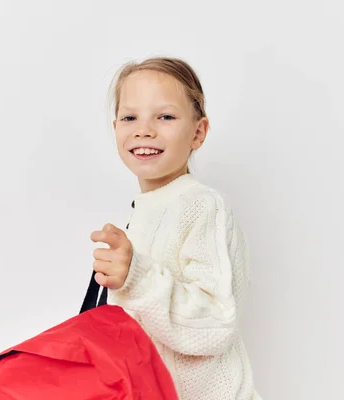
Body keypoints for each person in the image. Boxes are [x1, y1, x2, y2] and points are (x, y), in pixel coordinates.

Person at [89, 57, 261, 399]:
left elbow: (215, 324)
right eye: (129, 117)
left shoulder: (201, 205)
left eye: (165, 116)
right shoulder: (142, 213)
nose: (144, 129)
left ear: (198, 132)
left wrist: (135, 277)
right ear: (116, 129)